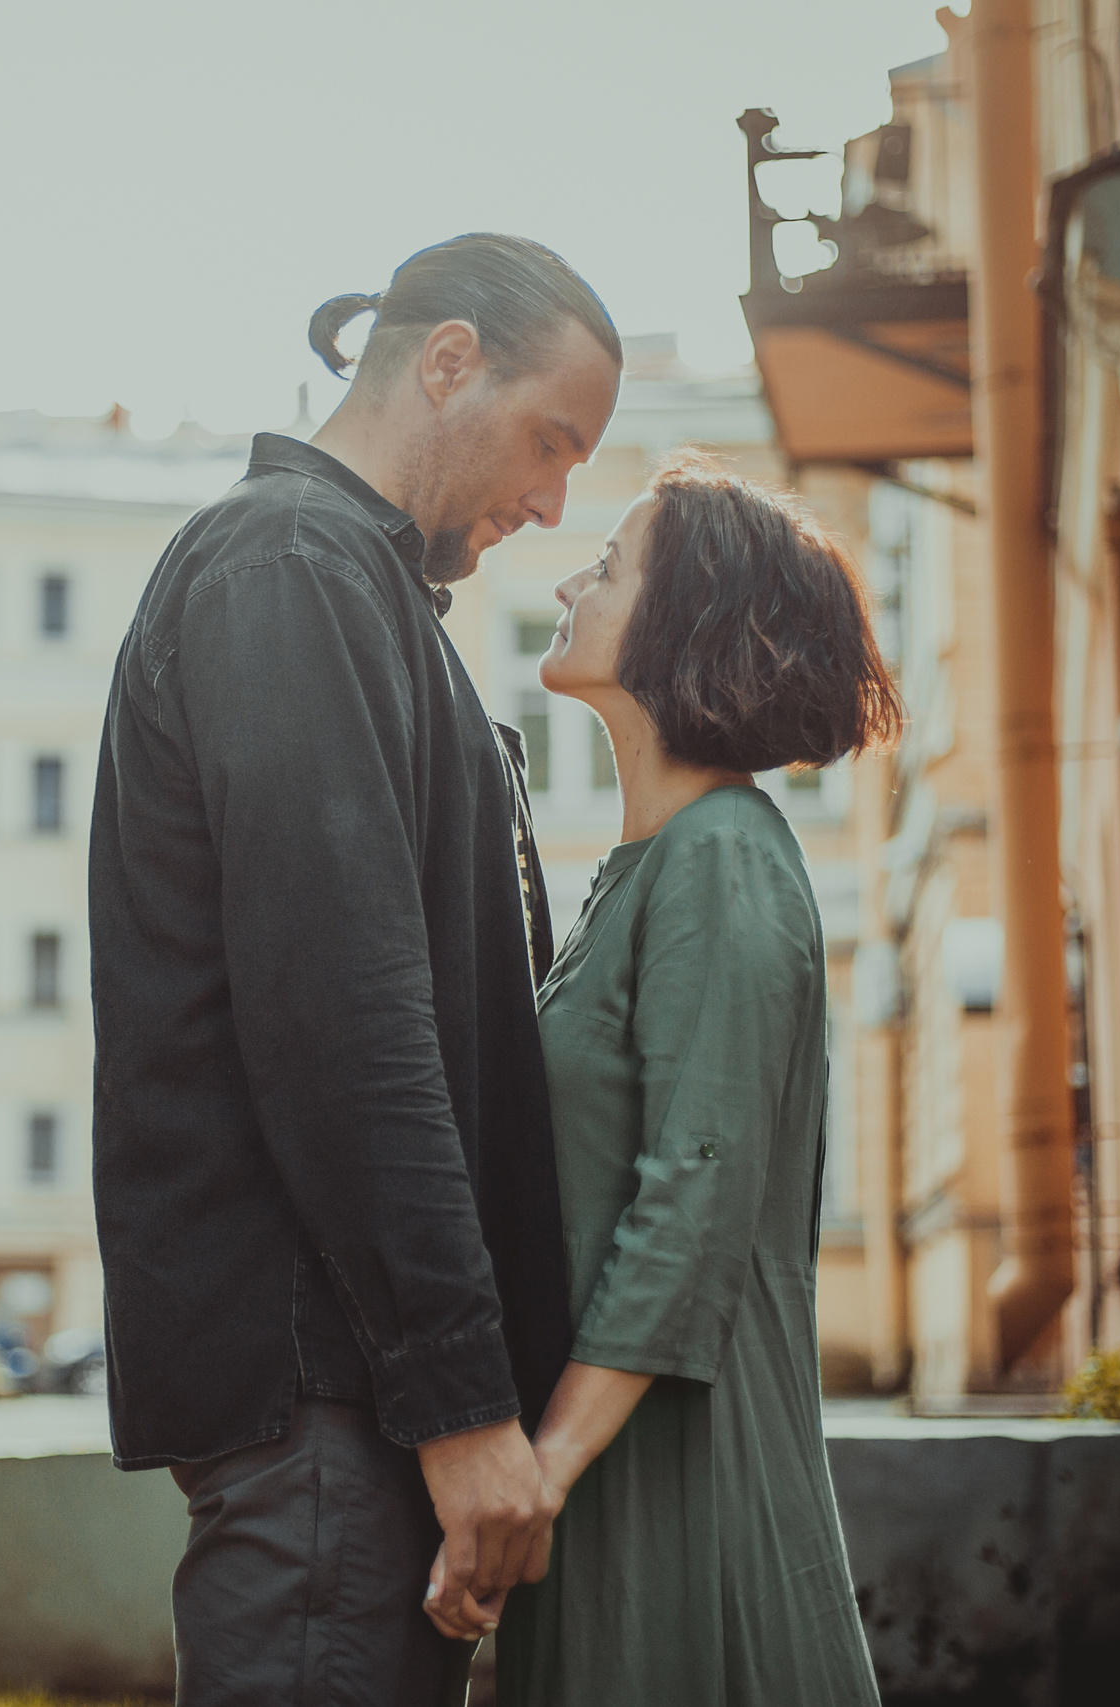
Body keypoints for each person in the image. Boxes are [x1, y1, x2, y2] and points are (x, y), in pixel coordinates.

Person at [87, 234, 621, 1706]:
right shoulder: (292, 568)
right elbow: (347, 1019)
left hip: (358, 1385)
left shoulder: (358, 590)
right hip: (331, 1382)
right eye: (548, 439)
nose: (553, 499)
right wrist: (459, 1405)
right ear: (448, 362)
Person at [476, 455, 902, 1705]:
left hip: (682, 1474)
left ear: (687, 620)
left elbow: (693, 1211)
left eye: (606, 568)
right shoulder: (654, 868)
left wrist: (535, 1477)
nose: (569, 579)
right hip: (619, 1454)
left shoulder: (722, 858)